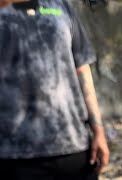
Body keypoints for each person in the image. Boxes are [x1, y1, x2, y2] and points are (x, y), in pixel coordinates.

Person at [0, 0, 110, 179]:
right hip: (14, 155)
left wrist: (98, 131)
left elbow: (82, 69)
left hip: (74, 148)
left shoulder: (61, 7)